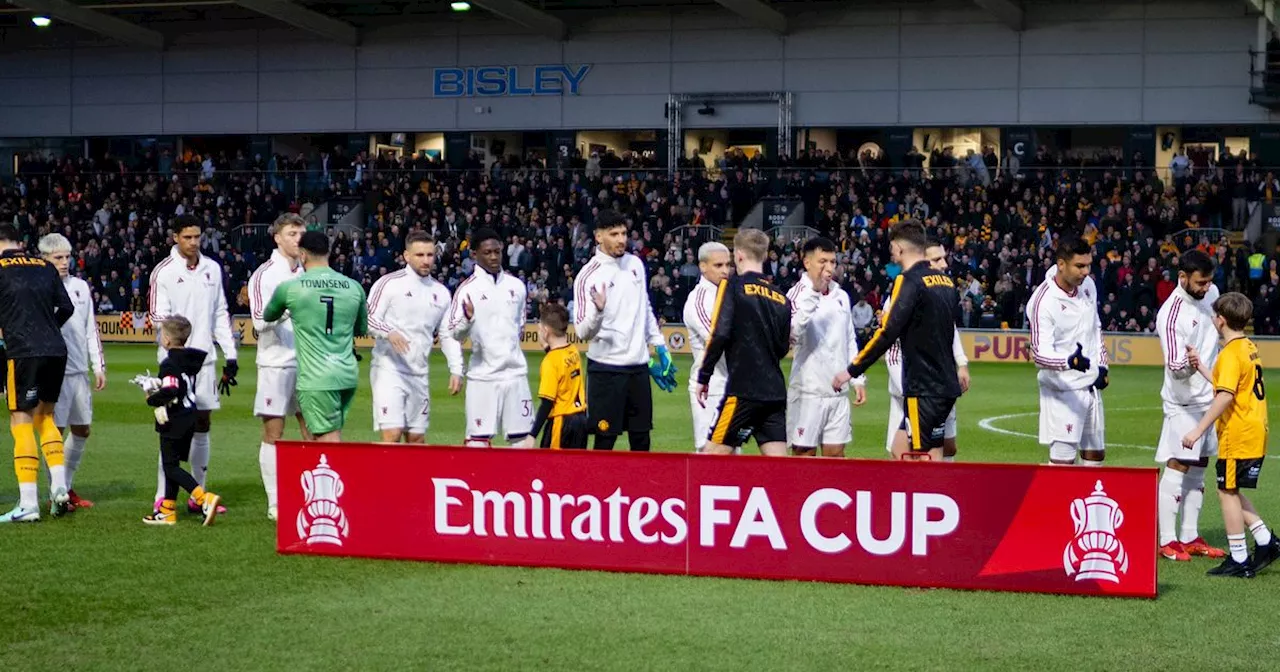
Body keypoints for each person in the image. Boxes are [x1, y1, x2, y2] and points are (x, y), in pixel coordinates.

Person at [833, 221, 961, 462]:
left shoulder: (909, 280)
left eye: (892, 247)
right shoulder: (946, 283)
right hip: (943, 383)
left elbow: (887, 333)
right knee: (900, 449)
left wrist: (851, 370)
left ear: (899, 248)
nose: (890, 252)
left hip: (923, 387)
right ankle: (914, 497)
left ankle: (933, 498)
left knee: (927, 456)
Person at [1181, 292, 1280, 577]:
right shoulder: (1247, 346)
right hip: (1254, 428)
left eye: (1214, 315)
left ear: (1221, 320)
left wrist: (1198, 430)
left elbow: (1225, 396)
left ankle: (1239, 558)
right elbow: (1228, 384)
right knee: (1230, 489)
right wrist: (1200, 365)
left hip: (1238, 433)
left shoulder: (1230, 353)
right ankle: (1265, 541)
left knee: (1226, 491)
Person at [148, 214, 236, 514]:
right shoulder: (164, 272)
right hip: (173, 364)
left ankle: (198, 494)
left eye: (197, 236)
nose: (194, 242)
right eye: (187, 237)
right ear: (175, 237)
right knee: (168, 428)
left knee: (203, 424)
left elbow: (221, 312)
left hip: (205, 361)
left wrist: (231, 353)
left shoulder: (212, 268)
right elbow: (158, 317)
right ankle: (163, 496)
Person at [574, 210, 674, 452]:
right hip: (606, 371)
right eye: (614, 234)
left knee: (641, 441)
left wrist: (659, 343)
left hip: (638, 369)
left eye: (624, 233)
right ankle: (598, 490)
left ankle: (641, 490)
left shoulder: (635, 264)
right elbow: (581, 332)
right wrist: (597, 312)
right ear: (598, 237)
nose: (621, 239)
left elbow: (645, 306)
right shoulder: (587, 276)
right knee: (605, 441)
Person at [262, 231, 368, 442]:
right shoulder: (354, 287)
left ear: (302, 255)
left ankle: (338, 476)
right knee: (332, 432)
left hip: (317, 376)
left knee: (327, 439)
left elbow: (268, 316)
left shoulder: (291, 288)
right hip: (347, 373)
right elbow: (361, 329)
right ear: (328, 253)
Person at [0, 224, 74, 522]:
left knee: (21, 420)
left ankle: (28, 504)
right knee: (46, 418)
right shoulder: (44, 266)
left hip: (23, 352)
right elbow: (66, 307)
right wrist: (49, 329)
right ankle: (59, 487)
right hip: (56, 349)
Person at [1155, 250, 1225, 562]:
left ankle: (1190, 535)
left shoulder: (1213, 293)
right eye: (1200, 282)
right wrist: (1192, 364)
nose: (1206, 287)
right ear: (1182, 278)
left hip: (1208, 396)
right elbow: (1174, 365)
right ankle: (1167, 540)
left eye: (1209, 281)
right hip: (1183, 399)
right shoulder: (1171, 314)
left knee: (1199, 465)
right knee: (1179, 462)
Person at [696, 229, 791, 457]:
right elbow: (782, 348)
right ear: (765, 255)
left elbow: (719, 334)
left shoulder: (731, 287)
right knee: (779, 469)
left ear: (738, 255)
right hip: (775, 393)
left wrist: (704, 377)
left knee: (710, 458)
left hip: (744, 391)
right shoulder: (782, 297)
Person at [367, 231, 464, 444]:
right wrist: (388, 332)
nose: (426, 260)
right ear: (406, 256)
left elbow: (447, 334)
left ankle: (411, 479)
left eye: (430, 255)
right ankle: (383, 478)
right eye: (419, 255)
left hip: (419, 374)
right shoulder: (389, 284)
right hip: (388, 370)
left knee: (417, 439)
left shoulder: (441, 293)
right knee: (392, 434)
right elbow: (368, 318)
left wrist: (456, 368)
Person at [248, 213, 311, 522]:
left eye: (301, 232)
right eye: (292, 233)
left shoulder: (309, 271)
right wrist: (290, 308)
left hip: (309, 363)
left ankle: (315, 494)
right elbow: (259, 320)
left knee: (314, 429)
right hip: (275, 363)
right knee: (275, 432)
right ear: (277, 237)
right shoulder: (265, 275)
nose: (298, 238)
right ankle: (275, 502)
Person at [446, 228, 534, 448]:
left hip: (515, 375)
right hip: (483, 376)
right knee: (477, 442)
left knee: (523, 441)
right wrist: (467, 319)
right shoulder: (467, 290)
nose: (494, 257)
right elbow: (455, 333)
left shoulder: (517, 286)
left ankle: (516, 484)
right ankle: (481, 484)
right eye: (487, 252)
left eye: (497, 251)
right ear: (474, 254)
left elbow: (520, 327)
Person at [884, 240, 970, 461]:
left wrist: (961, 363)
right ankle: (920, 491)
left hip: (938, 383)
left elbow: (950, 330)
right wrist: (910, 389)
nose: (943, 265)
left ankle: (937, 490)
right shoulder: (903, 294)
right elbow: (892, 350)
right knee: (913, 451)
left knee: (945, 447)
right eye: (936, 260)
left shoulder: (943, 291)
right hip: (918, 389)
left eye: (944, 259)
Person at [1027, 237, 1109, 466]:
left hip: (1090, 386)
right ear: (1061, 264)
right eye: (1080, 266)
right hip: (1062, 390)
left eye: (1088, 265)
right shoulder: (1043, 301)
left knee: (1095, 456)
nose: (1086, 272)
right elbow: (1040, 354)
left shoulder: (1088, 287)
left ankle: (1088, 502)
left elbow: (1096, 328)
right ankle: (1055, 503)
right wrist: (1069, 361)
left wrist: (1102, 365)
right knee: (1063, 463)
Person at [39, 233, 106, 509]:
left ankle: (65, 486)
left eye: (67, 257)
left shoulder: (80, 287)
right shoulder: (40, 288)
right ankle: (56, 491)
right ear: (45, 259)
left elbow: (90, 328)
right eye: (58, 258)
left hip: (79, 371)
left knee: (83, 429)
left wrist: (98, 365)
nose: (65, 262)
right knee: (55, 431)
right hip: (55, 372)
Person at [786, 237, 866, 458]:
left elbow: (849, 338)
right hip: (808, 391)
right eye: (823, 261)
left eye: (832, 261)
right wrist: (813, 294)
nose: (829, 267)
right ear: (807, 262)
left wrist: (857, 378)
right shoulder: (795, 295)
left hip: (838, 392)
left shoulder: (841, 296)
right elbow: (791, 335)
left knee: (836, 458)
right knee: (803, 455)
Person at [140, 316, 222, 526]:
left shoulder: (169, 362)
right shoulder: (188, 359)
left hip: (174, 420)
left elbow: (171, 389)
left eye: (161, 333)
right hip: (190, 416)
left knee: (170, 467)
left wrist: (152, 398)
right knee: (173, 464)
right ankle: (168, 509)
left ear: (167, 339)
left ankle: (204, 499)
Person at [682, 242, 732, 453]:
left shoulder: (728, 293)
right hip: (709, 388)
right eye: (718, 265)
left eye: (727, 265)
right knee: (709, 455)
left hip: (731, 386)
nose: (724, 271)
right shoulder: (699, 299)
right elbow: (715, 338)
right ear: (703, 267)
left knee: (732, 454)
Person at [530, 303, 589, 449]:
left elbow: (547, 403)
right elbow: (561, 362)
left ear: (546, 330)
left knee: (551, 468)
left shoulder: (550, 362)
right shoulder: (573, 351)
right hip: (581, 420)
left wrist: (532, 435)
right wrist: (546, 347)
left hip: (561, 422)